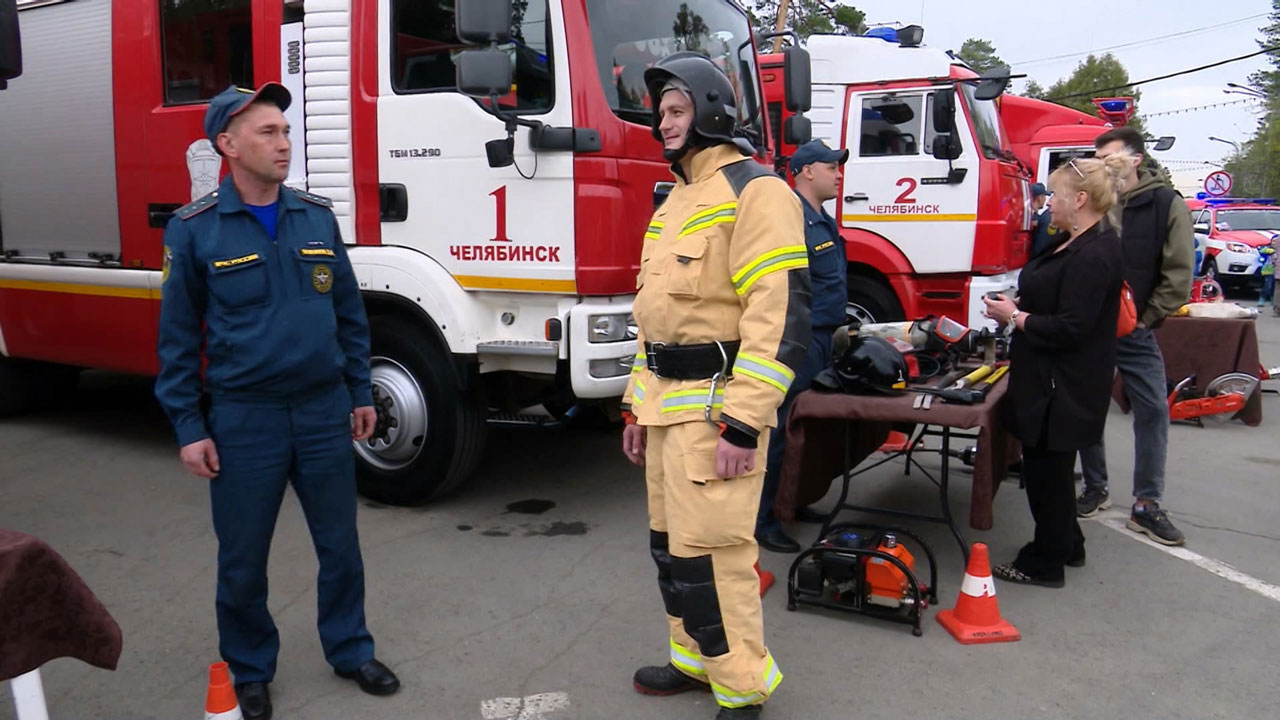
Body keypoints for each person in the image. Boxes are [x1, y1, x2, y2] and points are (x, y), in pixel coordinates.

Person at [155, 84, 399, 720]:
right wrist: (189, 426)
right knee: (242, 557)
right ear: (227, 146)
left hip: (322, 412)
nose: (283, 142)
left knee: (340, 545)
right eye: (266, 132)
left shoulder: (316, 218)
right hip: (244, 418)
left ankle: (350, 649)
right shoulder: (195, 231)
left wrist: (356, 389)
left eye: (285, 130)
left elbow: (348, 314)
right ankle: (250, 668)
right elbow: (178, 343)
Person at [619, 53, 810, 720]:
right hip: (666, 409)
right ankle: (692, 662)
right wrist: (635, 408)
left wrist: (744, 422)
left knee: (716, 559)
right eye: (660, 113)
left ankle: (742, 688)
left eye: (676, 110)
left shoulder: (758, 192)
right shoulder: (676, 200)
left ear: (711, 108)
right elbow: (656, 316)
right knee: (672, 549)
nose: (663, 123)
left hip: (714, 412)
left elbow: (779, 315)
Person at [983, 155, 1128, 587]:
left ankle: (1043, 561)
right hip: (1054, 380)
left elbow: (1071, 327)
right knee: (1053, 471)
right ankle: (1069, 544)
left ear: (1080, 199)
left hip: (1062, 385)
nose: (1048, 205)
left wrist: (1015, 317)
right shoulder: (1079, 241)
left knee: (1047, 474)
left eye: (1056, 196)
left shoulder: (1094, 253)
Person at [1076, 127, 1194, 546]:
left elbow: (1179, 271)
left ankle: (1147, 504)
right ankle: (1095, 488)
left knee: (1152, 411)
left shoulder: (1166, 204)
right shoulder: (1096, 199)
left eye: (1108, 155)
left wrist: (1146, 318)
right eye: (1097, 155)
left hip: (1135, 330)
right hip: (1089, 327)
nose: (1102, 162)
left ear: (1135, 159)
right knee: (1088, 406)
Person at [754, 139, 849, 554]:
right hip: (801, 341)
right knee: (780, 433)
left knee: (807, 432)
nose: (839, 174)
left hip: (825, 338)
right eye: (832, 167)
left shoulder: (820, 219)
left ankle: (795, 499)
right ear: (807, 171)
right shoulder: (790, 218)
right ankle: (764, 519)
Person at [1029, 182, 1064, 257]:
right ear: (1039, 198)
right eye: (1044, 196)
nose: (1046, 200)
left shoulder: (1024, 216)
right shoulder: (1046, 218)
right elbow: (1041, 247)